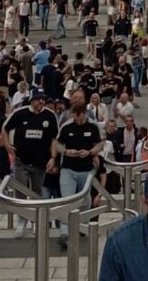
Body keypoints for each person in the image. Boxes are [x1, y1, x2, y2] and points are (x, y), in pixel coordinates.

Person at [2, 88, 59, 237]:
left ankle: (36, 221)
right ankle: (22, 220)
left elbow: (54, 139)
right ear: (31, 100)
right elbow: (5, 127)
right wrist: (7, 144)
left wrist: (53, 158)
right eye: (38, 98)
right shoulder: (20, 113)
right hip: (22, 160)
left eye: (43, 99)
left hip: (40, 162)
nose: (41, 101)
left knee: (37, 192)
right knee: (20, 191)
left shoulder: (50, 115)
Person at [52, 100, 104, 247]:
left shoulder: (93, 127)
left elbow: (99, 144)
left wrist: (90, 152)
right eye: (75, 115)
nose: (77, 118)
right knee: (67, 200)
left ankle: (82, 224)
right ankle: (64, 231)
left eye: (80, 115)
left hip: (86, 168)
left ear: (84, 114)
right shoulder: (67, 126)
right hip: (68, 168)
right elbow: (58, 143)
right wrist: (66, 152)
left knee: (85, 200)